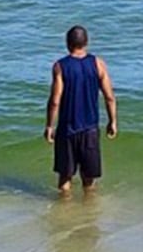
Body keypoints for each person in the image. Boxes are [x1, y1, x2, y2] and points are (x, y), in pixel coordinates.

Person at [44, 25, 117, 199]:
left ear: (67, 43)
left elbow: (55, 101)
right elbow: (109, 97)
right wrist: (112, 121)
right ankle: (89, 209)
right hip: (90, 129)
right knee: (89, 179)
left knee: (65, 177)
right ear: (87, 42)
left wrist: (49, 126)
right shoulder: (98, 64)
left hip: (67, 130)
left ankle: (65, 210)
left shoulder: (60, 66)